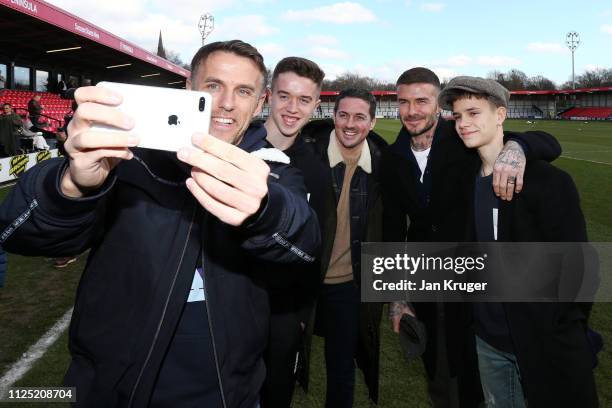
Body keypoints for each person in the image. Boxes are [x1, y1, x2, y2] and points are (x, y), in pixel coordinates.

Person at [0, 39, 320, 408]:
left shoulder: (272, 170)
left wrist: (265, 210)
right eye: (213, 86)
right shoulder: (131, 159)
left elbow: (305, 243)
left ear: (259, 104)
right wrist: (72, 185)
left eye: (243, 91)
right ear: (189, 90)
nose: (227, 103)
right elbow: (18, 231)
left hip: (229, 393)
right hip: (115, 392)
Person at [381, 67, 563, 408]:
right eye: (403, 102)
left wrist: (518, 147)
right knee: (437, 367)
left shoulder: (464, 136)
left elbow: (548, 143)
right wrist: (397, 295)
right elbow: (393, 228)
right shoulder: (393, 157)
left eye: (422, 101)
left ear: (438, 105)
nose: (412, 110)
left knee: (480, 369)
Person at [438, 76, 598, 408]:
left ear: (500, 114)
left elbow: (580, 270)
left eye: (473, 112)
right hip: (486, 342)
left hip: (541, 340)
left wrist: (560, 328)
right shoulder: (462, 180)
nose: (463, 123)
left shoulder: (547, 182)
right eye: (457, 116)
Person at [299, 88, 386, 407]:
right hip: (299, 280)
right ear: (333, 116)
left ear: (373, 122)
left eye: (360, 117)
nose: (350, 124)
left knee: (341, 369)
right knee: (275, 360)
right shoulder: (307, 152)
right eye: (343, 115)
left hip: (347, 284)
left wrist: (518, 143)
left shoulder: (383, 164)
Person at [260, 56, 328, 408]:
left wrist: (302, 314)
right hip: (228, 300)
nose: (292, 108)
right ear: (269, 96)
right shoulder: (238, 148)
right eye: (284, 96)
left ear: (316, 105)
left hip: (284, 312)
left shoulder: (316, 170)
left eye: (304, 100)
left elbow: (316, 248)